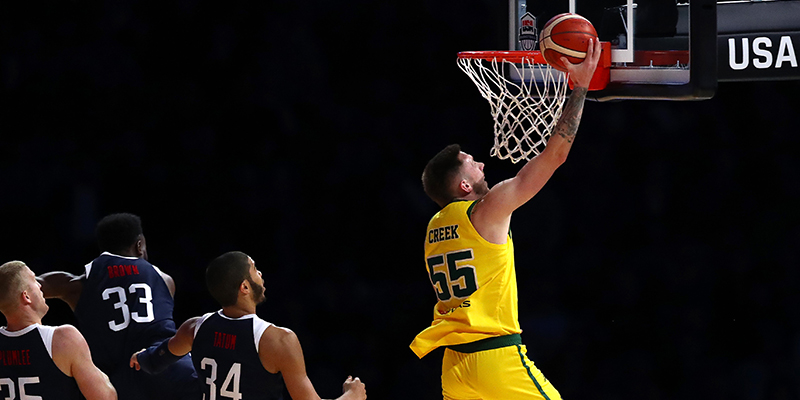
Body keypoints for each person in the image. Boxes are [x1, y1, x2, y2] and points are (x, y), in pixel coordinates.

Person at [409, 39, 602, 400]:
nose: (482, 164)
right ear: (464, 186)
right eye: (472, 164)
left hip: (454, 366)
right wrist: (580, 86)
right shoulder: (486, 210)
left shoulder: (434, 227)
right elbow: (555, 156)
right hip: (494, 358)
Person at [129, 250, 367, 400]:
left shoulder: (194, 328)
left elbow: (158, 358)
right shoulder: (278, 340)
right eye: (254, 268)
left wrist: (142, 357)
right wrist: (352, 395)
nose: (260, 273)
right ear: (244, 287)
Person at [36, 213, 200, 400]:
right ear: (139, 245)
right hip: (165, 370)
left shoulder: (79, 284)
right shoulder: (165, 280)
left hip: (118, 382)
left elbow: (26, 285)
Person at [0, 260, 117, 400]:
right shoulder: (64, 338)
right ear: (26, 296)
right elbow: (106, 397)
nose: (40, 285)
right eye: (34, 280)